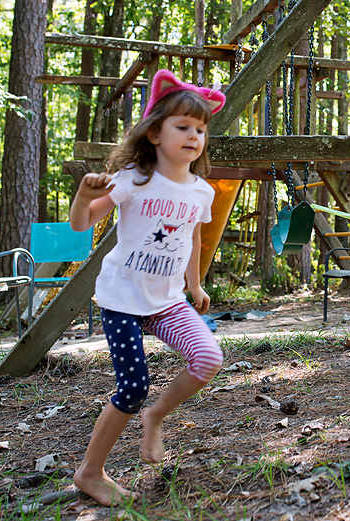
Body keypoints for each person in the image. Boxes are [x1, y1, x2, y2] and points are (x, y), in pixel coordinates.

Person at [69, 69, 226, 506]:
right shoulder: (134, 179)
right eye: (183, 127)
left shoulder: (201, 191)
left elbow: (193, 237)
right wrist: (83, 197)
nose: (194, 136)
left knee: (209, 357)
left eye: (200, 129)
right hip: (122, 299)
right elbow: (83, 225)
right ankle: (90, 472)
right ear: (155, 134)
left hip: (167, 300)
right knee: (132, 386)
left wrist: (195, 284)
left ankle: (155, 416)